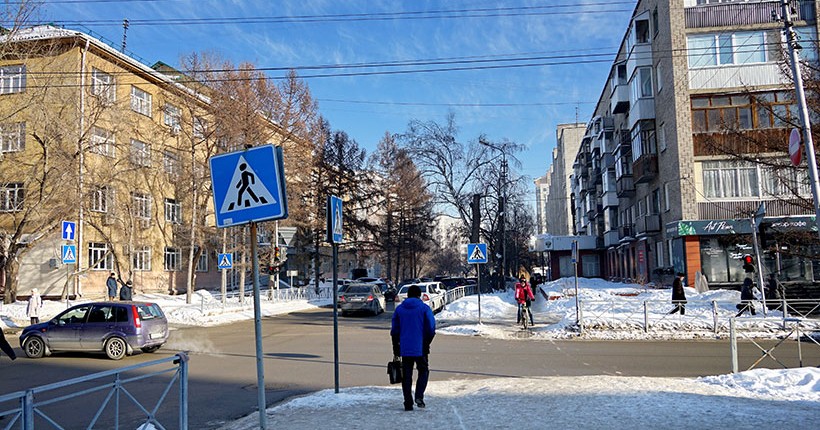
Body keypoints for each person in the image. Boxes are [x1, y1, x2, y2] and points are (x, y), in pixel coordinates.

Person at [391, 284, 436, 411]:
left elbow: (394, 330)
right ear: (419, 295)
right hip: (421, 347)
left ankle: (408, 403)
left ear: (408, 295)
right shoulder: (424, 308)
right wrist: (427, 342)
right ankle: (419, 396)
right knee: (423, 371)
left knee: (407, 375)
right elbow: (431, 328)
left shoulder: (399, 310)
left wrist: (396, 346)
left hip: (405, 347)